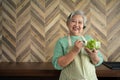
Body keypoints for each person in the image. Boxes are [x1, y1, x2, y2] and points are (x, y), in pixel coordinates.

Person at [52, 10, 103, 80]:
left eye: (80, 22)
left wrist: (93, 56)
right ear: (67, 24)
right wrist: (74, 51)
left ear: (83, 26)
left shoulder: (89, 39)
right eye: (73, 21)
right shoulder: (61, 42)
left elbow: (98, 62)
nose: (76, 25)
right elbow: (57, 65)